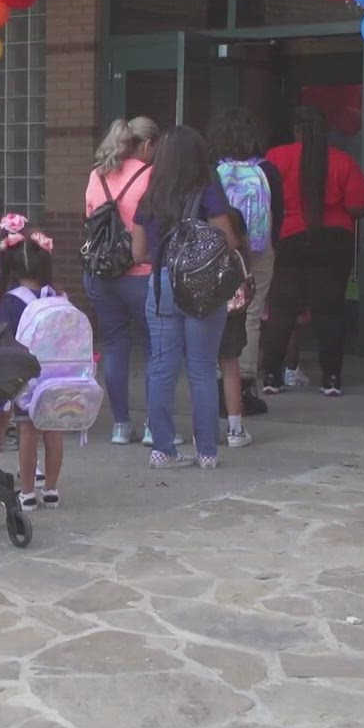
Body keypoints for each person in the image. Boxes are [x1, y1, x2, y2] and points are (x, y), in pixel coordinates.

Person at [131, 125, 239, 470]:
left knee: (162, 367)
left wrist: (167, 261)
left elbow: (138, 252)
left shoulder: (150, 195)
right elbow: (228, 241)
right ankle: (206, 451)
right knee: (203, 369)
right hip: (202, 288)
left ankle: (162, 450)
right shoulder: (207, 191)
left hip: (162, 284)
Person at [260, 106, 364, 397]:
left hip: (288, 239)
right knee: (330, 311)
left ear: (296, 130)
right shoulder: (342, 160)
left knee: (281, 310)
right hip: (334, 241)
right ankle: (331, 379)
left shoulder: (276, 157)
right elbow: (361, 207)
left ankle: (272, 377)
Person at [84, 117, 159, 446]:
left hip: (102, 274)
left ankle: (120, 425)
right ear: (144, 144)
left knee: (114, 346)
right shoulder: (150, 175)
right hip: (141, 274)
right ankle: (154, 427)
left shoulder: (96, 175)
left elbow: (89, 218)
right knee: (156, 350)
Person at [207, 108, 284, 400]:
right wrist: (266, 246)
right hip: (259, 251)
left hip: (217, 251)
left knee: (217, 311)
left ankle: (219, 377)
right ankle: (246, 382)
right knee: (251, 314)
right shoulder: (267, 170)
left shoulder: (212, 169)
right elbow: (279, 213)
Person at [0, 229, 68, 510]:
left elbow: (5, 341)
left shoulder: (11, 301)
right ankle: (51, 489)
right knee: (55, 433)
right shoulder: (57, 296)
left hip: (29, 380)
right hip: (59, 378)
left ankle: (26, 493)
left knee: (28, 433)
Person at [218, 209, 258, 450]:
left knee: (199, 368)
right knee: (230, 367)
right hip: (231, 310)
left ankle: (203, 428)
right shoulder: (239, 256)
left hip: (201, 307)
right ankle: (235, 428)